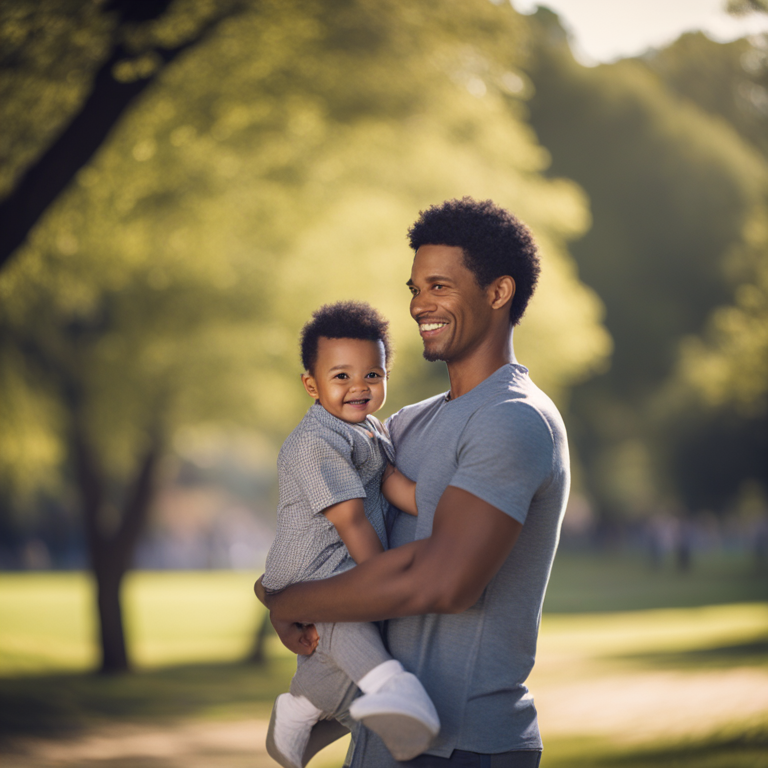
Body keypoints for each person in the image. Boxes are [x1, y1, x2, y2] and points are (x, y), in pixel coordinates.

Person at [258, 197, 570, 768]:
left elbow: (446, 585)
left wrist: (286, 602)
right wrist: (275, 594)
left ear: (498, 293)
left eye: (440, 287)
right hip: (383, 745)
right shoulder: (401, 426)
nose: (420, 305)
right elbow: (324, 526)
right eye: (415, 289)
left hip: (465, 747)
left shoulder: (513, 419)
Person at [261, 300, 440, 768]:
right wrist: (380, 582)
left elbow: (391, 483)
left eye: (372, 376)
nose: (359, 387)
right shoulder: (315, 442)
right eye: (341, 377)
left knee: (336, 660)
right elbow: (352, 521)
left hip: (338, 562)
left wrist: (441, 505)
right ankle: (392, 688)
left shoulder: (370, 430)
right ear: (311, 385)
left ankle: (298, 708)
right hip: (310, 568)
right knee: (351, 621)